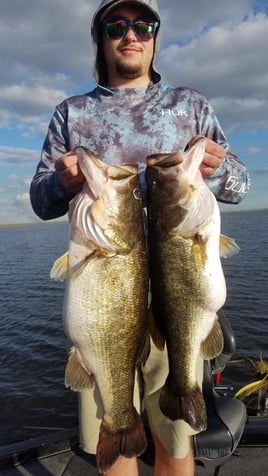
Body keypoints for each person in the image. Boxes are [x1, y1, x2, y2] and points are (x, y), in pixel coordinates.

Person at [30, 1, 250, 475]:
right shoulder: (73, 112)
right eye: (116, 25)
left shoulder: (189, 105)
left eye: (143, 25)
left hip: (178, 305)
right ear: (101, 38)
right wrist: (60, 184)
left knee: (175, 446)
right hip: (104, 308)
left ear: (154, 36)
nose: (130, 35)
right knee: (117, 446)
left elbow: (239, 186)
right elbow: (41, 201)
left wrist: (216, 170)